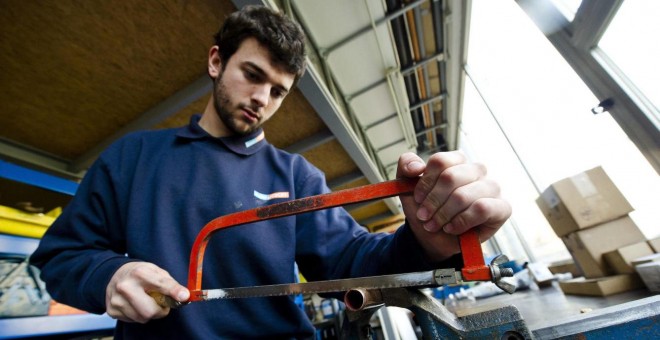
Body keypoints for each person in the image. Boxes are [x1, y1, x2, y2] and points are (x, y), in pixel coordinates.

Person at [30, 5, 511, 339]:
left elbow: (350, 263)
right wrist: (109, 274)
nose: (263, 98)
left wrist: (427, 241)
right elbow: (60, 258)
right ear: (217, 61)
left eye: (279, 91)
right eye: (253, 75)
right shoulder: (133, 156)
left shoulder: (297, 175)